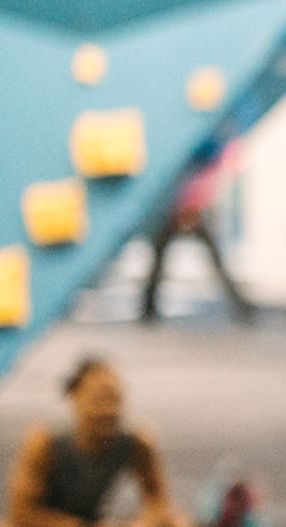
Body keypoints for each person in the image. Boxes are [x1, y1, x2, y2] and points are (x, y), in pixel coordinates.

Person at [6, 358, 190, 527]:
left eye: (115, 400)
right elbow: (21, 512)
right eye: (98, 400)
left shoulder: (137, 442)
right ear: (75, 398)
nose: (108, 410)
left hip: (92, 520)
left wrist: (140, 523)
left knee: (177, 521)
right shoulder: (44, 442)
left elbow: (159, 502)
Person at [140, 142, 255, 325]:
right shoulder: (206, 157)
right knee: (164, 261)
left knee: (161, 261)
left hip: (186, 209)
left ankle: (147, 309)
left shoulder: (198, 157)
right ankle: (147, 308)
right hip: (184, 209)